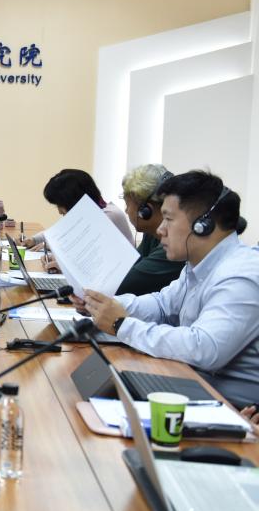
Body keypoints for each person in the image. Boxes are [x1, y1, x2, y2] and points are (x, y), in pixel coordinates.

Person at [77, 171, 259, 409]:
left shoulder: (242, 275)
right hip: (192, 384)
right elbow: (163, 305)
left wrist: (121, 324)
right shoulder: (198, 265)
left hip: (230, 408)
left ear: (203, 226)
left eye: (168, 219)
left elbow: (204, 348)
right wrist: (103, 304)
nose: (160, 229)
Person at [23, 168, 134, 255]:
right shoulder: (88, 213)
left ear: (75, 200)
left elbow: (82, 250)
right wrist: (33, 240)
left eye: (61, 205)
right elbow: (58, 232)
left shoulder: (109, 216)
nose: (60, 212)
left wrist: (50, 245)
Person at [115, 164, 185, 296]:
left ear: (145, 211)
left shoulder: (173, 246)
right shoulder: (152, 234)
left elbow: (123, 284)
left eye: (127, 204)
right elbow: (129, 266)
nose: (126, 210)